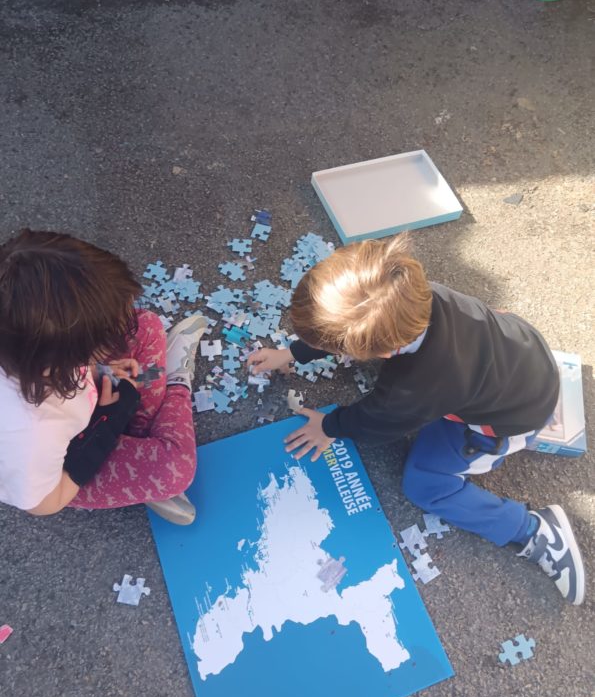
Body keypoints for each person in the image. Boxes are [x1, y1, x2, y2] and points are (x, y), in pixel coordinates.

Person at [248, 236, 585, 605]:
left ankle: (534, 532)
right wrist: (291, 353)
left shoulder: (411, 389)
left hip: (510, 419)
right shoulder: (411, 293)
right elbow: (345, 321)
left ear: (382, 352)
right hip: (520, 348)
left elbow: (374, 423)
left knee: (425, 484)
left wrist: (329, 427)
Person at [0, 229, 207, 526]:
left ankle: (140, 465)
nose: (123, 329)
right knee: (175, 470)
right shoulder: (32, 436)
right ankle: (177, 383)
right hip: (71, 463)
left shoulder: (24, 339)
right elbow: (46, 504)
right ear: (66, 357)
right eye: (107, 340)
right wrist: (106, 425)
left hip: (78, 401)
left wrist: (98, 372)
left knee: (145, 325)